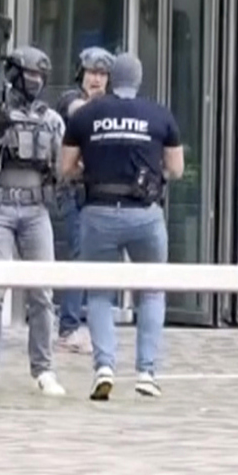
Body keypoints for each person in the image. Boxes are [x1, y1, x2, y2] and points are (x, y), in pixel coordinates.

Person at [60, 52, 183, 401]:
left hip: (98, 212)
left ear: (113, 79)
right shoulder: (160, 115)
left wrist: (93, 171)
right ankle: (146, 371)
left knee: (99, 292)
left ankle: (104, 367)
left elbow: (66, 167)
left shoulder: (87, 115)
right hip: (145, 214)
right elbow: (176, 169)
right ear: (140, 80)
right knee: (153, 291)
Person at [0, 45, 68, 397]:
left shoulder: (51, 120)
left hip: (36, 211)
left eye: (40, 78)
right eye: (29, 76)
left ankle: (44, 369)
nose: (34, 83)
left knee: (43, 293)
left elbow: (61, 166)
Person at [53, 46, 115, 354]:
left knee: (103, 259)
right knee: (79, 256)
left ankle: (96, 324)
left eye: (102, 74)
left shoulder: (111, 106)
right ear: (81, 74)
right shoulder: (70, 100)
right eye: (92, 72)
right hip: (74, 193)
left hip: (102, 193)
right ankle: (68, 327)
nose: (96, 79)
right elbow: (79, 111)